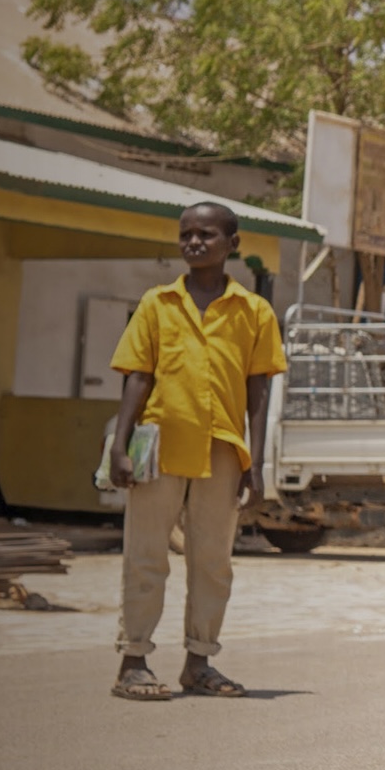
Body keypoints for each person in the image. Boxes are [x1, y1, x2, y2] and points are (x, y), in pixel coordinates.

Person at [103, 200, 283, 700]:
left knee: (211, 561)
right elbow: (138, 378)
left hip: (224, 450)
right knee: (145, 555)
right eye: (186, 235)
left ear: (233, 244)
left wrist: (257, 463)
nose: (194, 243)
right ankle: (133, 661)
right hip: (159, 446)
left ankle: (199, 663)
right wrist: (119, 446)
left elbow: (259, 391)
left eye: (206, 234)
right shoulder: (156, 304)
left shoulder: (255, 312)